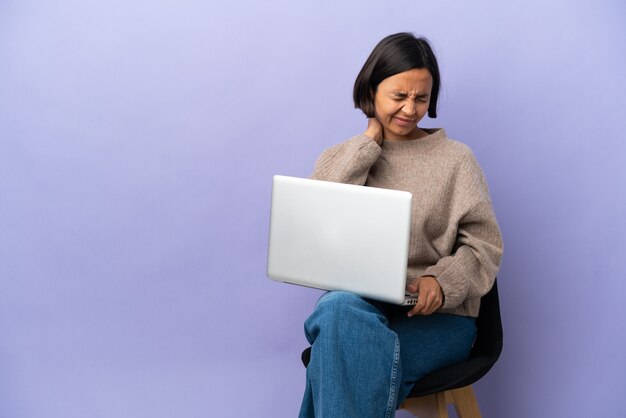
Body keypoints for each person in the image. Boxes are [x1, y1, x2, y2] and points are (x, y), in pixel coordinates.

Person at [297, 33, 503, 418]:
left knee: (341, 360)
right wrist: (369, 142)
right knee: (339, 308)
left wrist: (440, 283)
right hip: (361, 309)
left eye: (421, 98)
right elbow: (317, 219)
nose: (411, 109)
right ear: (371, 91)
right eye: (398, 97)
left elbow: (484, 246)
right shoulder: (340, 157)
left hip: (439, 318)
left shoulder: (456, 160)